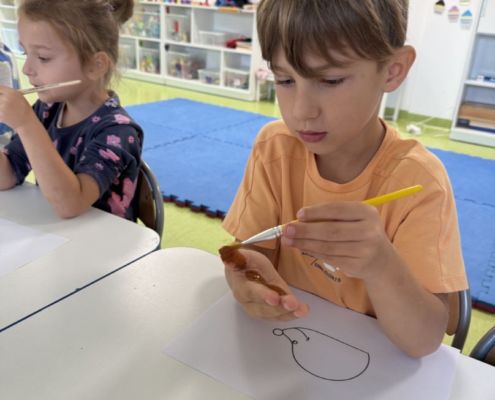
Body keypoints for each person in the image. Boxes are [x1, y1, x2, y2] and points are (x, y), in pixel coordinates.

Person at [221, 0, 468, 358]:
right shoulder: (275, 149)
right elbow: (251, 253)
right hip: (285, 350)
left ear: (393, 70)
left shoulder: (419, 183)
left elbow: (424, 340)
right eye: (285, 80)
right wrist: (245, 278)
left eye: (331, 80)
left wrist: (381, 264)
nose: (302, 111)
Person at [0, 0, 142, 221]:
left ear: (95, 65)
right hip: (59, 234)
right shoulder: (47, 110)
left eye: (43, 57)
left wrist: (26, 124)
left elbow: (70, 204)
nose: (27, 69)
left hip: (106, 240)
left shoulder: (118, 131)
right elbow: (7, 174)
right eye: (25, 52)